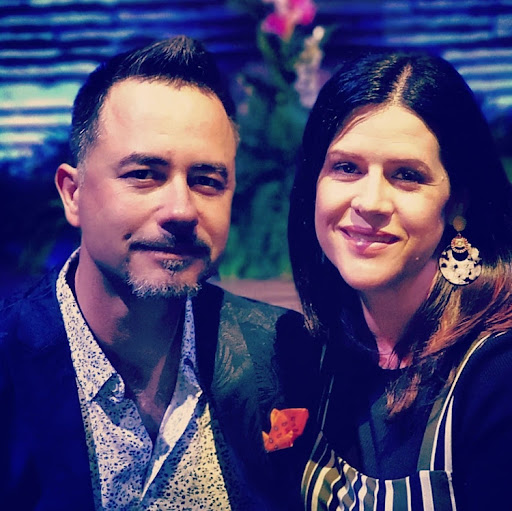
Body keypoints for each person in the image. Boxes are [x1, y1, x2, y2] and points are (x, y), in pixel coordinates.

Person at [0, 36, 319, 510]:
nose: (182, 210)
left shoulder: (281, 352)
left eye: (207, 181)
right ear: (73, 194)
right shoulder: (10, 361)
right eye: (144, 174)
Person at [288, 50, 512, 510]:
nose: (370, 201)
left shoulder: (497, 374)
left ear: (458, 203)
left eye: (407, 176)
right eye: (346, 167)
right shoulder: (321, 350)